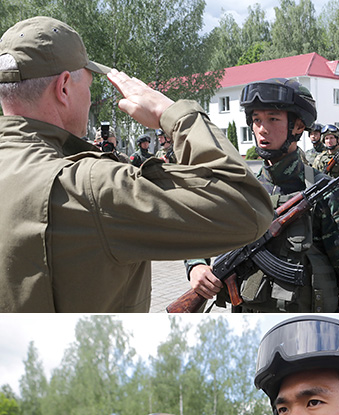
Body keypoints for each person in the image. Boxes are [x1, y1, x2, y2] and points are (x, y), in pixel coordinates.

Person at [0, 17, 272, 312]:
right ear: (64, 87)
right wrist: (174, 113)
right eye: (88, 85)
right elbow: (248, 209)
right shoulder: (89, 185)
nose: (91, 99)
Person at [185, 77, 339, 313]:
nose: (262, 129)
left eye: (273, 119)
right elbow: (198, 233)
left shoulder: (326, 193)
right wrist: (196, 266)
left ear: (298, 126)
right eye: (256, 120)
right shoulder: (242, 189)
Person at [315, 126, 339, 192]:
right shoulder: (319, 158)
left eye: (332, 138)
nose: (329, 141)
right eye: (326, 138)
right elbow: (313, 179)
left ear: (338, 139)